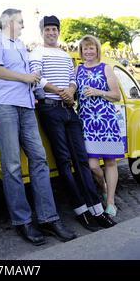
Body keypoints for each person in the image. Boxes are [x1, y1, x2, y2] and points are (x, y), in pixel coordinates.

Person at [0, 8, 76, 245]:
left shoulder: (21, 45)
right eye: (20, 22)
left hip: (26, 107)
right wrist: (25, 77)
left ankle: (48, 218)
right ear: (8, 22)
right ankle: (22, 221)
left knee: (39, 159)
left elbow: (28, 77)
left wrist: (34, 80)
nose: (24, 25)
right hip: (3, 105)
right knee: (12, 165)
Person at [29, 15, 116, 231]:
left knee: (82, 161)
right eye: (47, 29)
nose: (51, 32)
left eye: (54, 29)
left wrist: (71, 90)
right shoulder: (37, 52)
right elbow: (36, 77)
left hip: (69, 109)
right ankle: (81, 210)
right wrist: (59, 91)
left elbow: (72, 79)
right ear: (42, 32)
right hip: (50, 108)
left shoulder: (66, 56)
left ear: (58, 32)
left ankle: (96, 208)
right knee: (64, 161)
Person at [76, 35, 124, 217]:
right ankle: (103, 187)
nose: (88, 51)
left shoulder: (106, 68)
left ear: (97, 50)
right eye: (85, 48)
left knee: (110, 162)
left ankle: (110, 201)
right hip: (86, 121)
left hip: (106, 120)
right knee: (92, 165)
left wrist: (97, 92)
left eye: (91, 48)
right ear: (81, 51)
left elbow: (116, 95)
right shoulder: (78, 69)